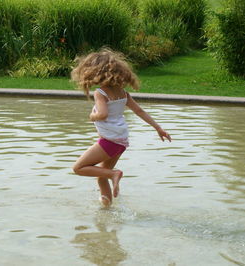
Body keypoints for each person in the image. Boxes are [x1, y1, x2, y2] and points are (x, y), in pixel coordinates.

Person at [71, 48, 171, 207]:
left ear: (96, 72)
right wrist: (158, 128)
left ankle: (114, 174)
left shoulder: (100, 93)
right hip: (121, 142)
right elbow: (139, 111)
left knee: (78, 167)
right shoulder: (123, 93)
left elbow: (102, 114)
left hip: (109, 142)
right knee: (101, 176)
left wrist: (93, 116)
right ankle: (106, 208)